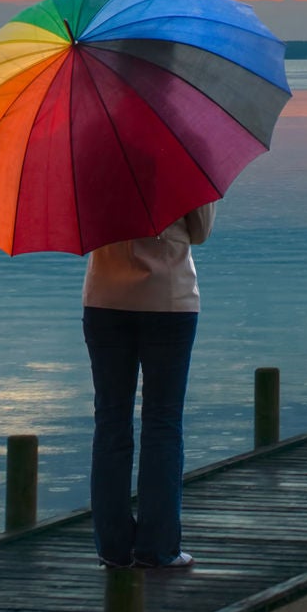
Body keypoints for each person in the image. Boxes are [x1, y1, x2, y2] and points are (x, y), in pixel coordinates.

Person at [82, 202, 216, 569]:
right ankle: (158, 548)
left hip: (105, 298)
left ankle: (113, 547)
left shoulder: (91, 156)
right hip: (168, 299)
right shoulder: (185, 151)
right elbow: (200, 233)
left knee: (110, 422)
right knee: (163, 422)